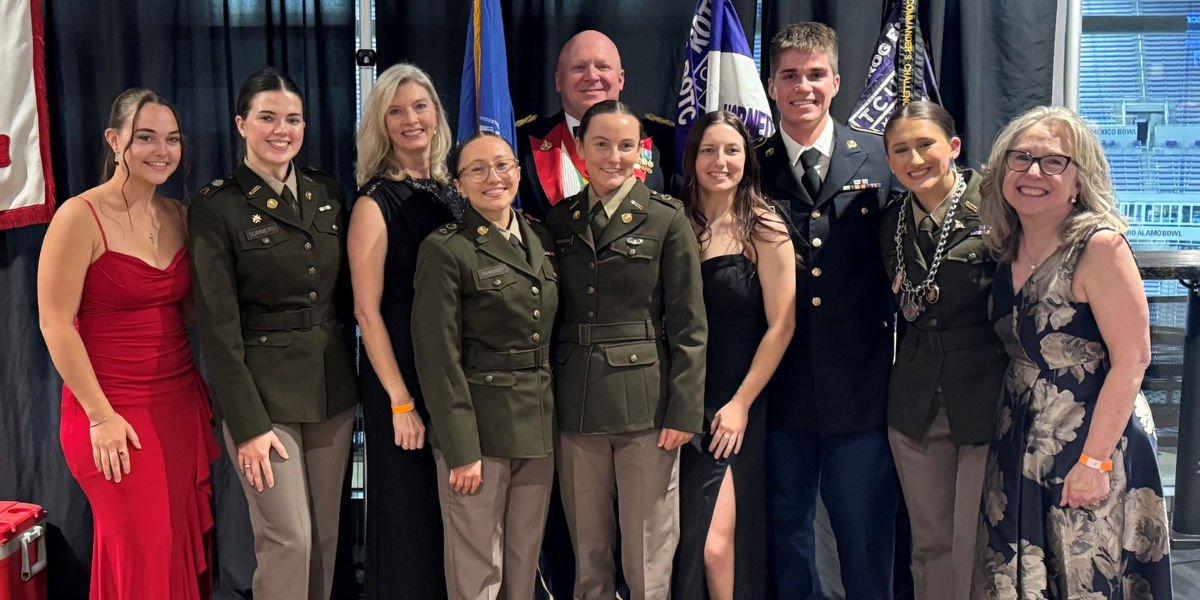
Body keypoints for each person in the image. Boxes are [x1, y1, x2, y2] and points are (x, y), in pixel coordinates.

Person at [976, 105, 1172, 599]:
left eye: (1053, 161)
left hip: (1091, 440)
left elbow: (1133, 360)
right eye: (1020, 158)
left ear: (1079, 179)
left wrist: (1096, 462)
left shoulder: (1100, 247)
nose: (1033, 172)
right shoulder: (1006, 245)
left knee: (1087, 577)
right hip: (1018, 439)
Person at [39, 88, 220, 600]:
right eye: (145, 138)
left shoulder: (181, 216)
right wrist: (100, 416)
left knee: (174, 544)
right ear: (115, 141)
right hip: (109, 410)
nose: (161, 150)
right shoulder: (79, 216)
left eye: (172, 138)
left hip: (179, 405)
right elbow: (55, 323)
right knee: (140, 551)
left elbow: (185, 309)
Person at [189, 67, 358, 600]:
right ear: (241, 124)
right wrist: (246, 423)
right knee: (289, 539)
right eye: (267, 118)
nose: (281, 129)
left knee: (325, 539)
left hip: (330, 387)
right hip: (263, 399)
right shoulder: (217, 206)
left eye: (292, 119)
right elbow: (217, 327)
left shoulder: (326, 192)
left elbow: (348, 298)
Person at [756, 22, 898, 600]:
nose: (803, 87)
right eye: (790, 75)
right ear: (771, 85)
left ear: (836, 82)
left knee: (863, 530)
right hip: (780, 381)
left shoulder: (881, 157)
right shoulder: (751, 165)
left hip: (860, 380)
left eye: (815, 75)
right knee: (786, 529)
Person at [544, 98, 707, 600]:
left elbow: (688, 324)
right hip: (577, 402)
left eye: (626, 145)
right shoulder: (558, 219)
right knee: (588, 552)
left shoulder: (666, 218)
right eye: (601, 144)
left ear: (641, 151)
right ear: (579, 149)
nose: (614, 156)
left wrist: (685, 410)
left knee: (648, 549)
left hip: (648, 406)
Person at [411, 131, 558, 600]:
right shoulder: (445, 249)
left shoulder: (540, 236)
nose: (493, 178)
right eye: (477, 169)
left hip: (536, 428)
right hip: (479, 432)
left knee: (522, 567)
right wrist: (460, 447)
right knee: (477, 575)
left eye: (503, 166)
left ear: (518, 171)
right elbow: (437, 356)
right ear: (459, 184)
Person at [878, 101, 1004, 600]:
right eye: (900, 150)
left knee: (976, 537)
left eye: (925, 144)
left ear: (952, 147)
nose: (914, 158)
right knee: (928, 539)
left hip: (984, 396)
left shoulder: (997, 208)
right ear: (888, 160)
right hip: (915, 399)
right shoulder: (890, 221)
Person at [348, 62, 463, 600]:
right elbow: (367, 312)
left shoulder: (455, 193)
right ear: (381, 124)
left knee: (453, 522)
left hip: (452, 373)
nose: (411, 119)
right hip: (401, 378)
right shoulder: (375, 202)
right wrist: (399, 400)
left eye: (420, 106)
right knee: (409, 518)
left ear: (437, 115)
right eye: (396, 111)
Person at [673, 110, 796, 600]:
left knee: (714, 547)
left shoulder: (763, 224)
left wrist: (741, 403)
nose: (719, 161)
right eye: (708, 150)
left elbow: (782, 325)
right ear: (692, 157)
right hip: (675, 402)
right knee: (679, 542)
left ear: (747, 158)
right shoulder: (671, 216)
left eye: (731, 150)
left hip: (731, 404)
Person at [517, 29, 674, 222]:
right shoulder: (520, 142)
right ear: (558, 80)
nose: (591, 76)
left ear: (621, 78)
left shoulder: (665, 141)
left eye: (603, 66)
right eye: (578, 67)